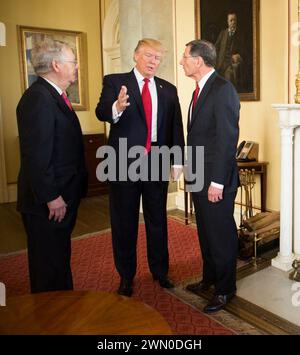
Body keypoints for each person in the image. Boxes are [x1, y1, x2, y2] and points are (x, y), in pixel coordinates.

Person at [96, 38, 184, 297]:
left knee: (158, 218)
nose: (153, 61)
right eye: (148, 55)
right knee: (125, 220)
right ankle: (126, 276)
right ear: (135, 56)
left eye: (158, 57)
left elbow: (176, 126)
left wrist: (177, 160)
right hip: (124, 160)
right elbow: (101, 111)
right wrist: (116, 107)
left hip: (157, 159)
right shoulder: (115, 81)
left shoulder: (168, 89)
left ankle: (160, 271)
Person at [16, 39, 88, 293]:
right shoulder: (38, 99)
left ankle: (63, 308)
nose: (77, 67)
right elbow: (36, 155)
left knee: (58, 257)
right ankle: (49, 318)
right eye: (73, 61)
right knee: (47, 264)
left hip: (61, 195)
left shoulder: (54, 95)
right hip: (48, 201)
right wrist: (51, 196)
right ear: (57, 65)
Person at [180, 39, 240, 313]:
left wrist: (216, 181)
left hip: (216, 180)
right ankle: (210, 278)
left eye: (184, 57)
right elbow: (198, 137)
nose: (182, 62)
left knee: (221, 235)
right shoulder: (198, 91)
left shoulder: (222, 89)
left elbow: (227, 140)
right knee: (205, 232)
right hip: (198, 176)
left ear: (198, 61)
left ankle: (226, 289)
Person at [215, 11, 245, 92]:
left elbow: (243, 50)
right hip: (221, 63)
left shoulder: (240, 34)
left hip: (232, 63)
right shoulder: (223, 33)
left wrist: (238, 55)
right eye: (231, 20)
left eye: (234, 20)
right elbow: (216, 48)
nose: (233, 22)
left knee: (229, 76)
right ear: (227, 22)